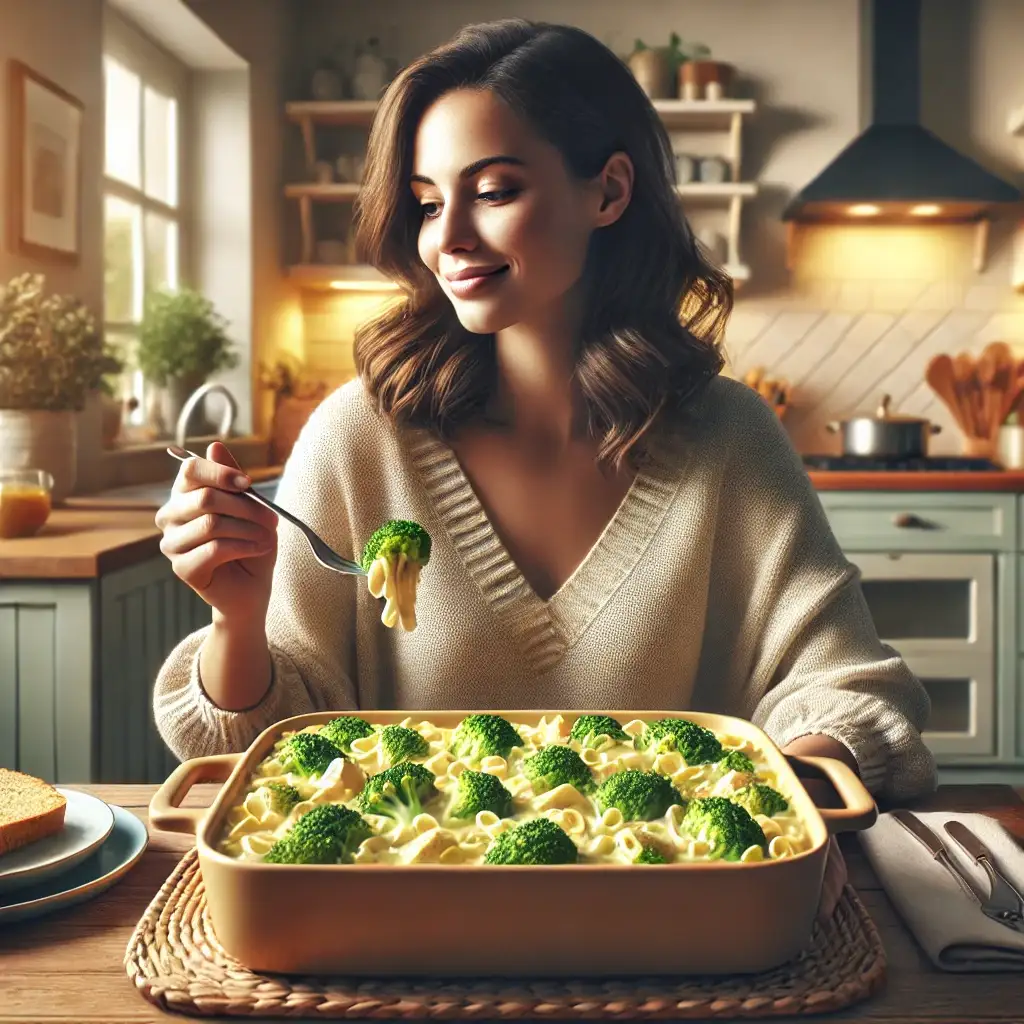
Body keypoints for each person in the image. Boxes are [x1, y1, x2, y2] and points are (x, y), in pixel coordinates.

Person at [152, 20, 936, 918]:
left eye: (492, 191)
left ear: (607, 192)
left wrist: (799, 798)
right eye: (425, 200)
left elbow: (849, 685)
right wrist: (238, 619)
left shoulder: (729, 438)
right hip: (397, 932)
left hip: (672, 928)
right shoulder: (356, 439)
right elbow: (282, 745)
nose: (448, 238)